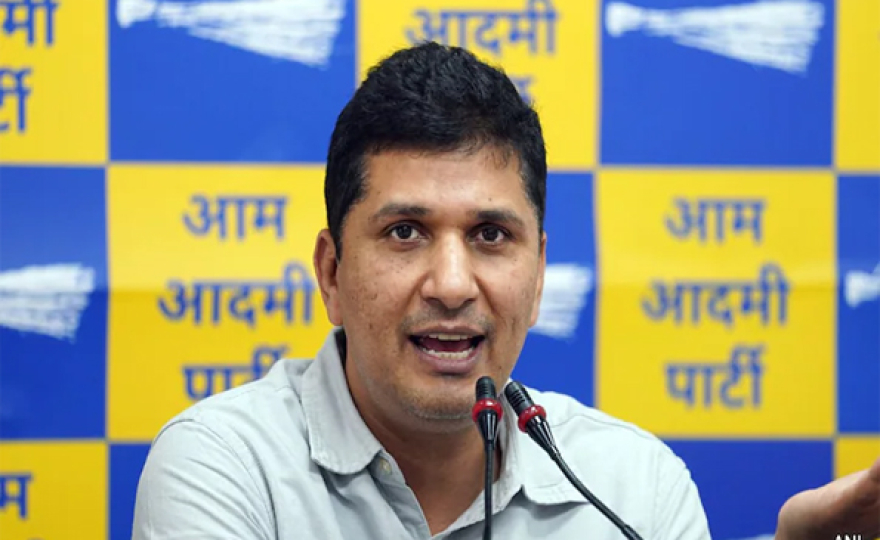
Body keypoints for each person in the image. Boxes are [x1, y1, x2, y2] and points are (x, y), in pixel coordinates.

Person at [131, 42, 880, 539]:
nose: (453, 285)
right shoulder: (224, 467)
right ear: (331, 272)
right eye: (405, 232)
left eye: (490, 235)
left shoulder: (632, 487)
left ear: (539, 270)